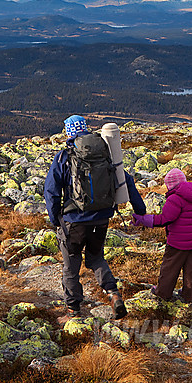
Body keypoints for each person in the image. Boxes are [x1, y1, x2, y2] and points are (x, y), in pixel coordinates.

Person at [43, 115, 146, 320]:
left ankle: (73, 309)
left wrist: (56, 220)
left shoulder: (64, 157)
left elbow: (51, 192)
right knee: (96, 258)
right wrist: (140, 211)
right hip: (101, 219)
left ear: (69, 132)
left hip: (74, 223)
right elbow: (125, 181)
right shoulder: (104, 153)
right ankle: (113, 293)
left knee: (71, 265)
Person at [131, 168, 192, 304]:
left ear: (170, 184)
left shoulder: (175, 199)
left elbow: (165, 219)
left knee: (169, 268)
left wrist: (143, 219)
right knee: (191, 269)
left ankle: (163, 293)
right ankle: (189, 296)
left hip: (177, 242)